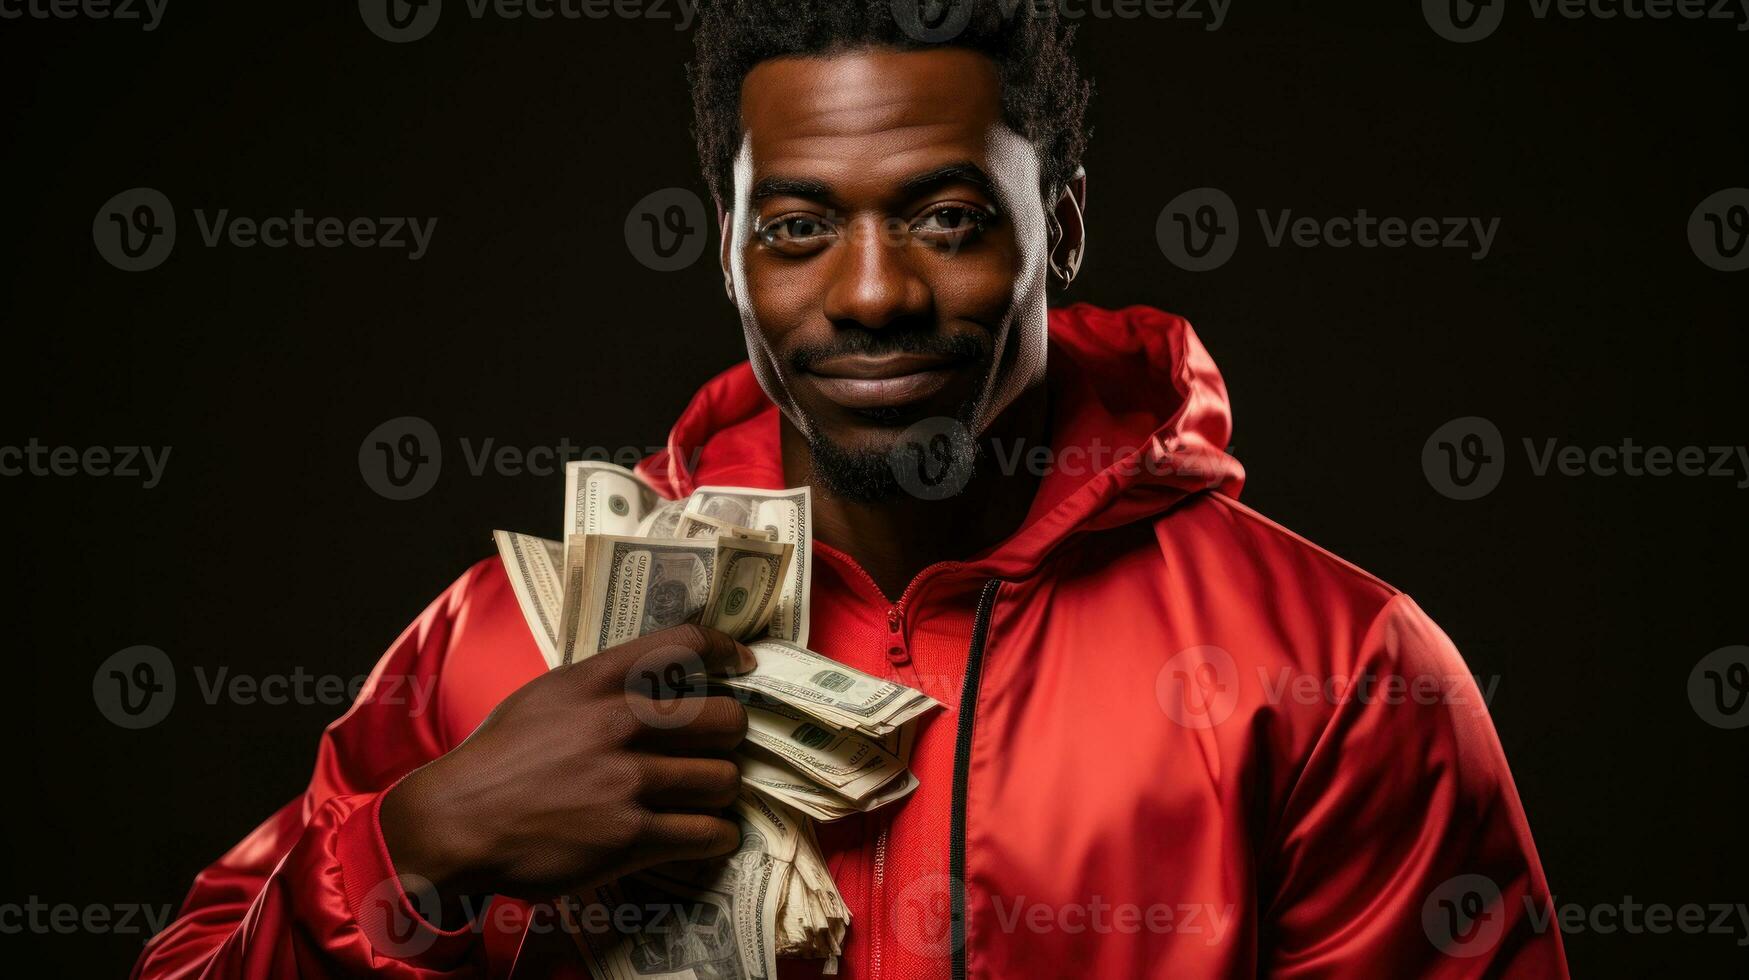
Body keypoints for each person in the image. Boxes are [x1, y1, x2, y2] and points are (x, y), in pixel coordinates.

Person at [135, 3, 1568, 976]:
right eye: (800, 228)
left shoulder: (1332, 669)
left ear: (1057, 224)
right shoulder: (501, 644)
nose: (871, 294)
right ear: (728, 249)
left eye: (945, 219)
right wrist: (418, 853)